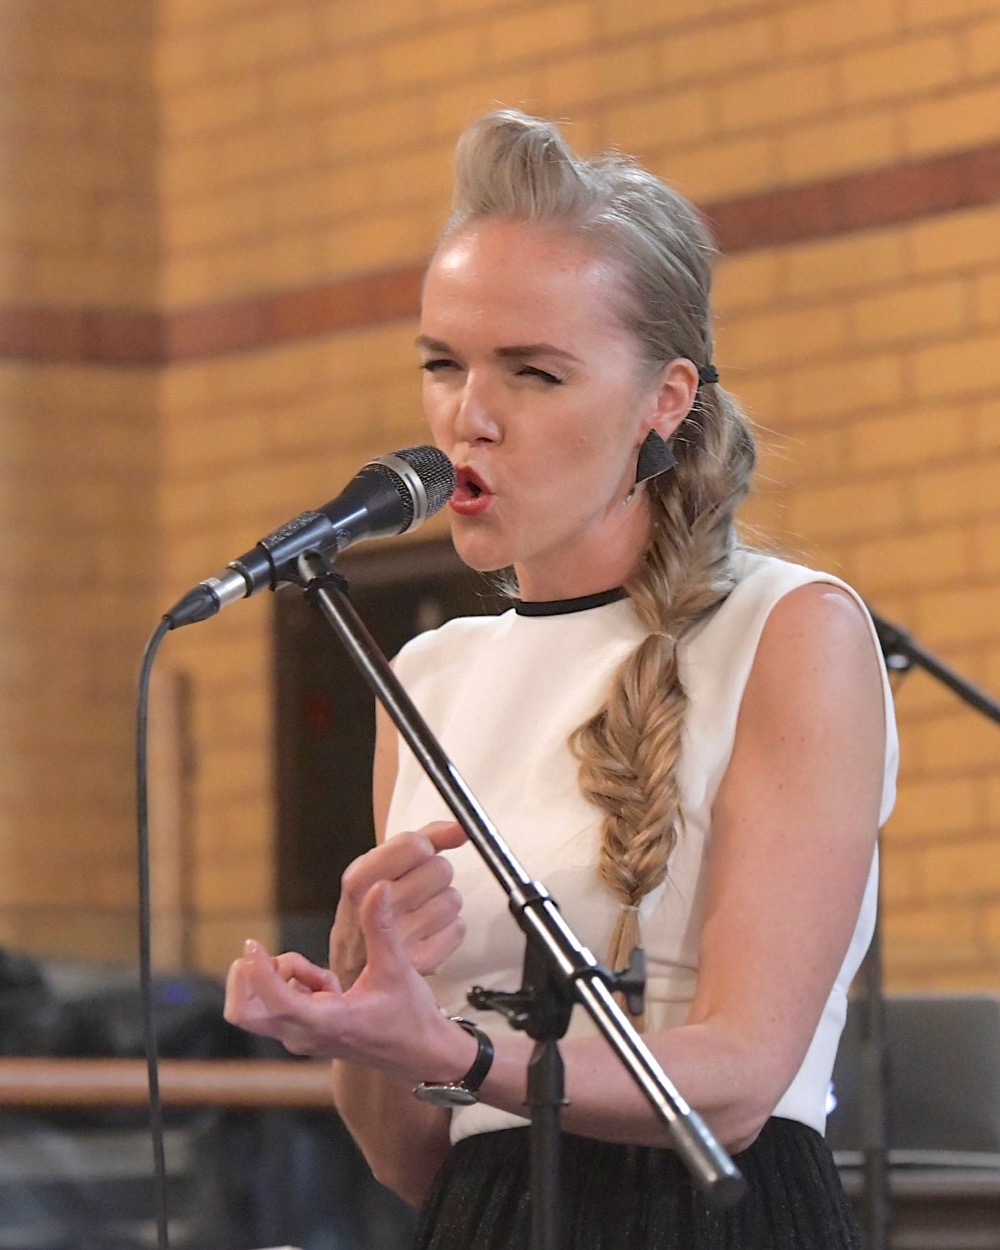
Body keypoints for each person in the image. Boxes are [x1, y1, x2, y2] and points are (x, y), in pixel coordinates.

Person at [223, 109, 897, 1248]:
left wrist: (455, 1051)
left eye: (533, 372)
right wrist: (364, 1004)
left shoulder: (789, 629)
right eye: (443, 365)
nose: (469, 418)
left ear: (664, 399)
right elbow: (412, 1158)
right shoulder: (427, 676)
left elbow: (739, 1079)